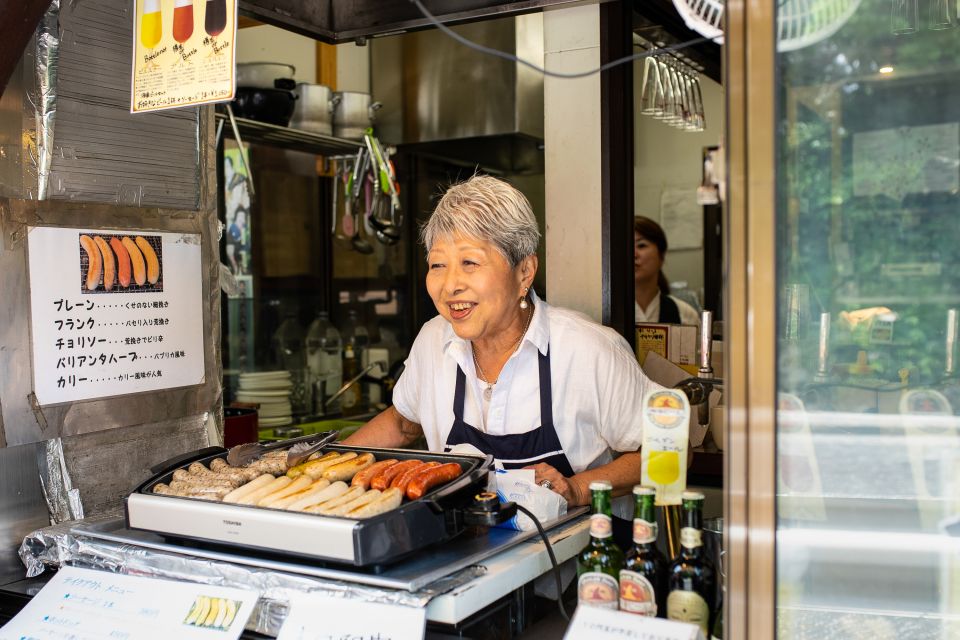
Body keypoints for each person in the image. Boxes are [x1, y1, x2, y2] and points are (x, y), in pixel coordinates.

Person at [344, 175, 662, 508]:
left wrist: (578, 488)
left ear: (524, 272)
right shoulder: (433, 340)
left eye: (470, 263)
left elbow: (668, 448)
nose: (450, 284)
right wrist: (321, 466)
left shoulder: (587, 349)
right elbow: (403, 422)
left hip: (576, 556)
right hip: (465, 552)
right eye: (438, 264)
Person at [633, 216, 700, 326]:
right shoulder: (606, 314)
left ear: (662, 256)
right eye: (626, 246)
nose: (634, 254)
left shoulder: (685, 315)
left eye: (641, 245)